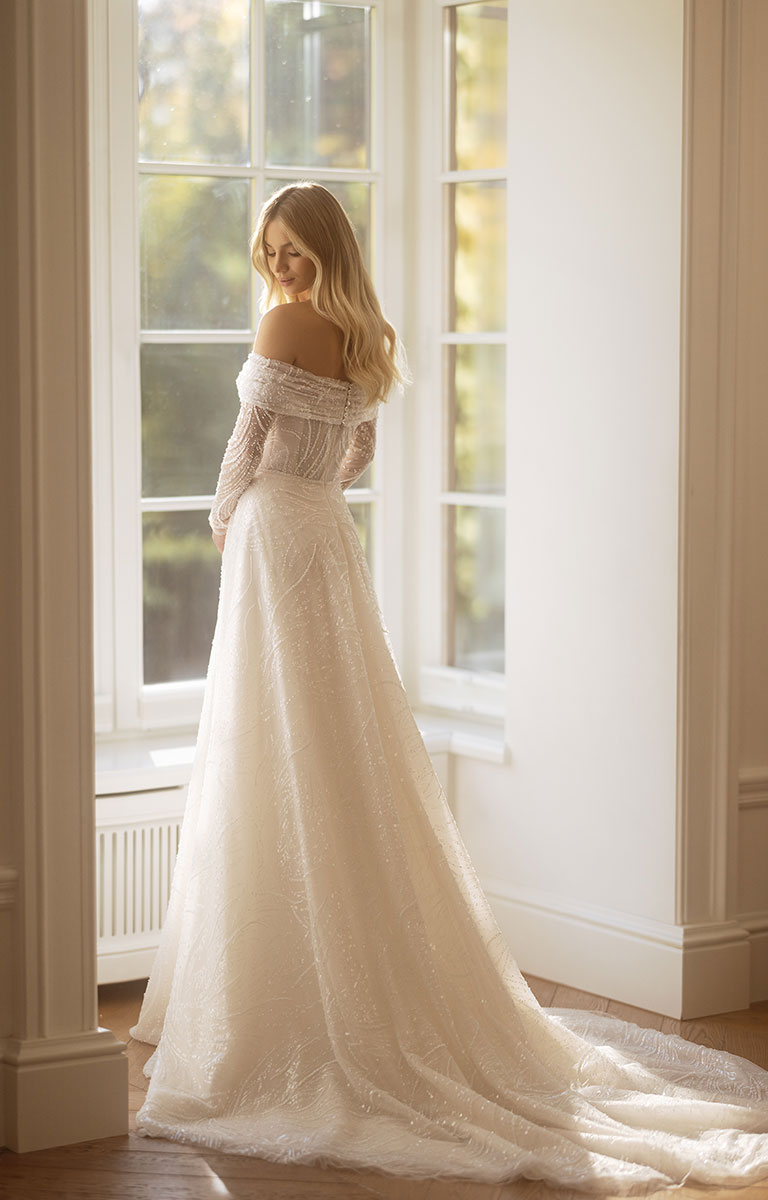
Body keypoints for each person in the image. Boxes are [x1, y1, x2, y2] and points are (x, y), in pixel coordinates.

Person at [130, 182, 768, 1192]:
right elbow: (362, 450)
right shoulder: (363, 331)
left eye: (294, 250)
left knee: (271, 737)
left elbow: (242, 451)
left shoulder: (284, 324)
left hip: (272, 534)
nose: (281, 267)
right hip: (326, 541)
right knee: (331, 735)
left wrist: (226, 522)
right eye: (273, 251)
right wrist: (308, 497)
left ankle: (281, 996)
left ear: (323, 250)